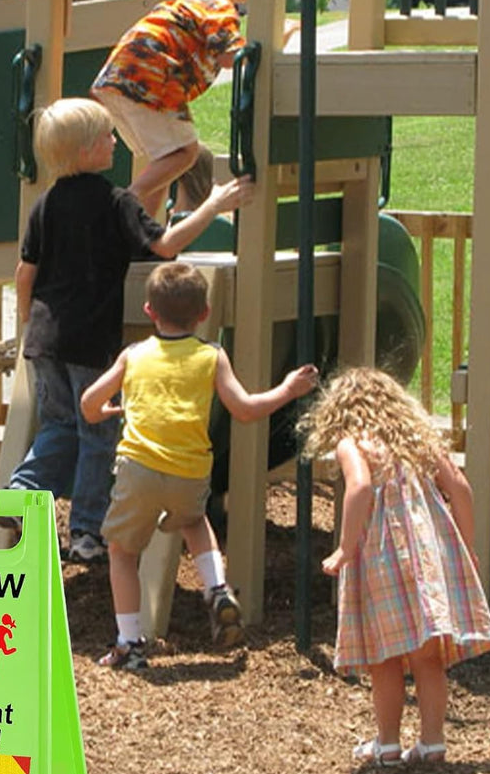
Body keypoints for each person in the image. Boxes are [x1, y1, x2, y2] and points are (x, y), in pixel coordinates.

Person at [0, 98, 255, 563]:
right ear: (83, 153)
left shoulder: (46, 205)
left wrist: (25, 323)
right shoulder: (116, 203)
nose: (114, 142)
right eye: (106, 137)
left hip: (44, 340)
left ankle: (20, 494)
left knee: (58, 425)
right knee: (97, 435)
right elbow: (167, 244)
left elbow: (24, 273)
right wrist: (215, 203)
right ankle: (86, 532)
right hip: (88, 341)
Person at [80, 263, 318, 668]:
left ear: (149, 310)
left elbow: (88, 403)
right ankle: (217, 587)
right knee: (193, 521)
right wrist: (287, 389)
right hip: (190, 468)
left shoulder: (133, 355)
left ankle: (130, 643)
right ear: (204, 313)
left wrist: (106, 411)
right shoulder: (212, 356)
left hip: (138, 467)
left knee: (121, 552)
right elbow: (244, 409)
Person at [298, 367, 490, 766]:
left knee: (383, 654)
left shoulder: (352, 442)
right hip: (428, 557)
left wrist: (344, 547)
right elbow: (458, 485)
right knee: (428, 656)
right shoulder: (418, 439)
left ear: (339, 410)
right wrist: (467, 547)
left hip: (379, 554)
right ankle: (432, 742)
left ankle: (387, 743)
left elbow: (358, 488)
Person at [91, 0, 297, 215]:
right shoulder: (216, 3)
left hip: (116, 81)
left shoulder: (186, 2)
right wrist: (279, 38)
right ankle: (124, 203)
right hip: (152, 82)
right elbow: (231, 57)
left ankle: (145, 237)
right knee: (185, 153)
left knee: (165, 161)